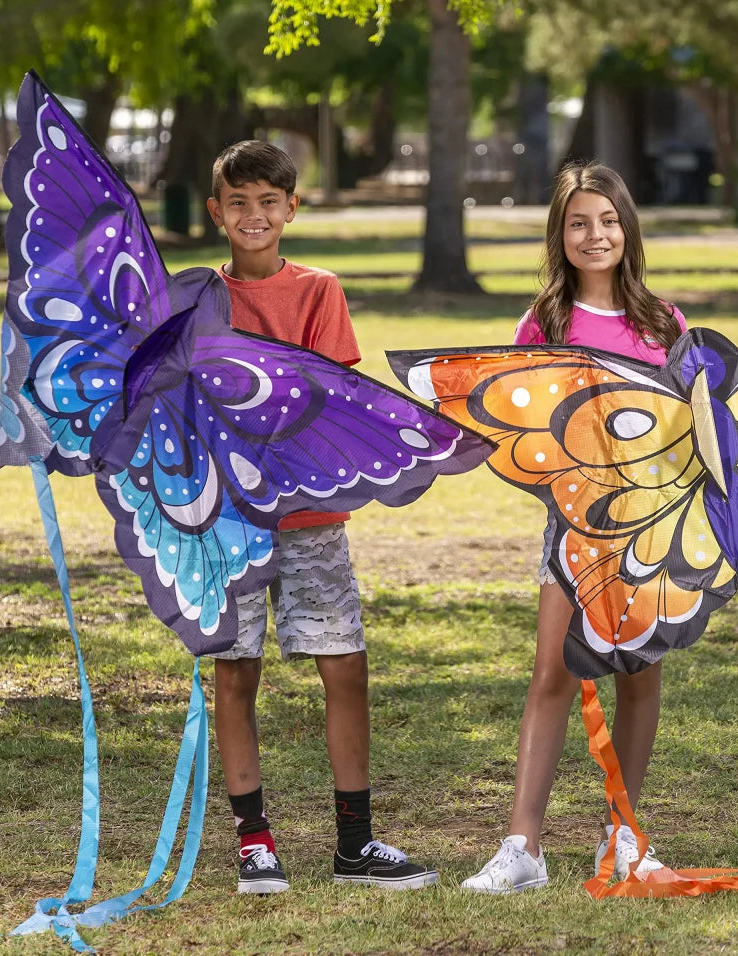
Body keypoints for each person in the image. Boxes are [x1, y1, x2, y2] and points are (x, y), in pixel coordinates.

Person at [204, 140, 438, 895]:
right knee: (235, 672)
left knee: (344, 666)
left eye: (268, 201)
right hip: (229, 523)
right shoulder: (196, 297)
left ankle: (354, 844)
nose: (253, 215)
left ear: (292, 208)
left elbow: (332, 395)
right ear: (216, 212)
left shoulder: (319, 290)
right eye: (238, 202)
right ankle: (255, 842)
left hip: (313, 517)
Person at [461, 161, 686, 894]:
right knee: (553, 674)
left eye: (609, 220)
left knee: (640, 679)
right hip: (571, 529)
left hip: (651, 531)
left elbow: (693, 426)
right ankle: (522, 847)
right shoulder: (544, 324)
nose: (596, 235)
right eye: (580, 222)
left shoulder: (663, 320)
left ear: (629, 229)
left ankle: (623, 836)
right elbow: (520, 426)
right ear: (560, 234)